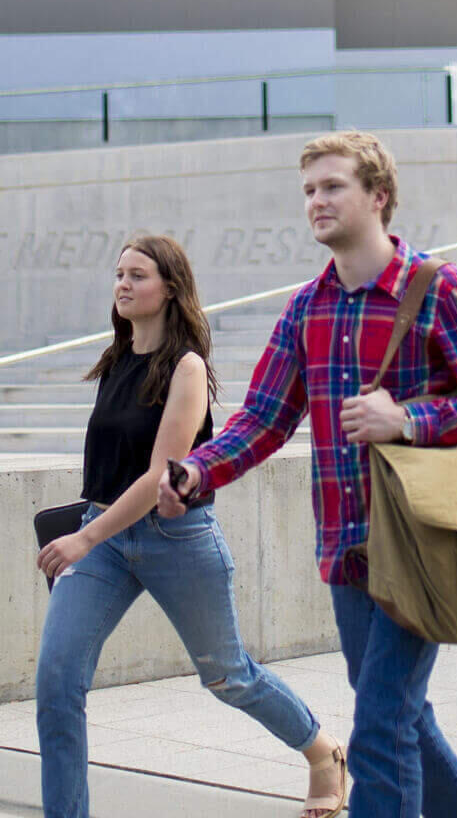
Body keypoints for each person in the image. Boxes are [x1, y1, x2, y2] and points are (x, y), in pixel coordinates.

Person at [159, 131, 457, 818]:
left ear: (378, 197)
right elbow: (264, 419)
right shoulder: (307, 308)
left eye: (332, 187)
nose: (316, 202)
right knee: (399, 714)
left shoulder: (444, 291)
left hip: (425, 544)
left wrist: (408, 420)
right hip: (346, 549)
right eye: (308, 191)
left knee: (381, 725)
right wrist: (197, 472)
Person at [36, 235, 345, 818]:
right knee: (57, 686)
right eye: (118, 274)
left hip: (175, 540)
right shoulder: (115, 359)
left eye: (138, 275)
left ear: (170, 288)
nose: (123, 284)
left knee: (229, 676)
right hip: (102, 536)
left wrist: (84, 538)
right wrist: (90, 530)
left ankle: (323, 752)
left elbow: (161, 476)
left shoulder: (187, 368)